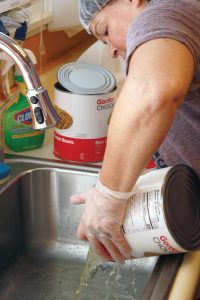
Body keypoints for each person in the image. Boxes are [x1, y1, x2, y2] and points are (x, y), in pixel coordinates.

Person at [70, 0, 200, 264]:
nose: (112, 50)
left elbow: (151, 93)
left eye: (104, 31)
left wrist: (107, 195)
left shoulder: (165, 12)